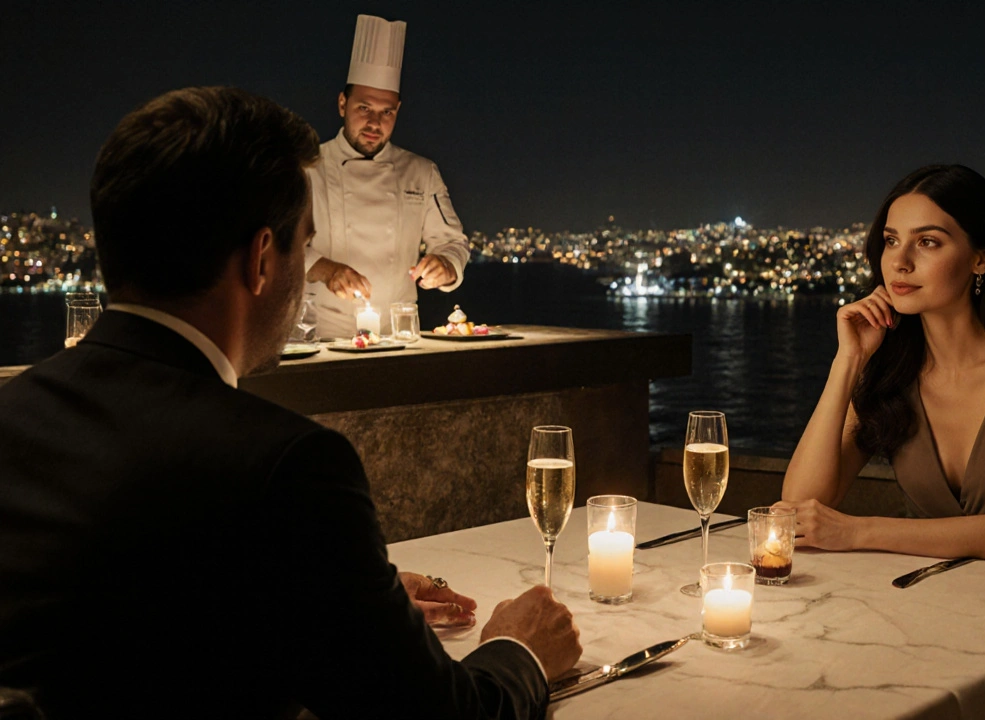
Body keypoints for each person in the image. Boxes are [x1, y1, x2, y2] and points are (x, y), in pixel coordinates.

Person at [0, 86, 581, 719]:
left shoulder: (16, 414)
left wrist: (347, 600)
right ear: (260, 261)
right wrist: (519, 651)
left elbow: (146, 621)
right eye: (303, 246)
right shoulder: (289, 465)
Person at [777, 164, 985, 570]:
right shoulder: (891, 368)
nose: (900, 262)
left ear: (982, 258)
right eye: (891, 241)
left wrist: (859, 531)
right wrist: (849, 361)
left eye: (927, 242)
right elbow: (799, 508)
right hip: (935, 599)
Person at [305, 14, 471, 339]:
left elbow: (453, 242)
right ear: (342, 103)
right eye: (364, 108)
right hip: (322, 339)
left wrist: (446, 265)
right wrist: (327, 270)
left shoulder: (421, 172)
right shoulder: (306, 167)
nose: (374, 123)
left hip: (399, 339)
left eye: (386, 112)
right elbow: (278, 248)